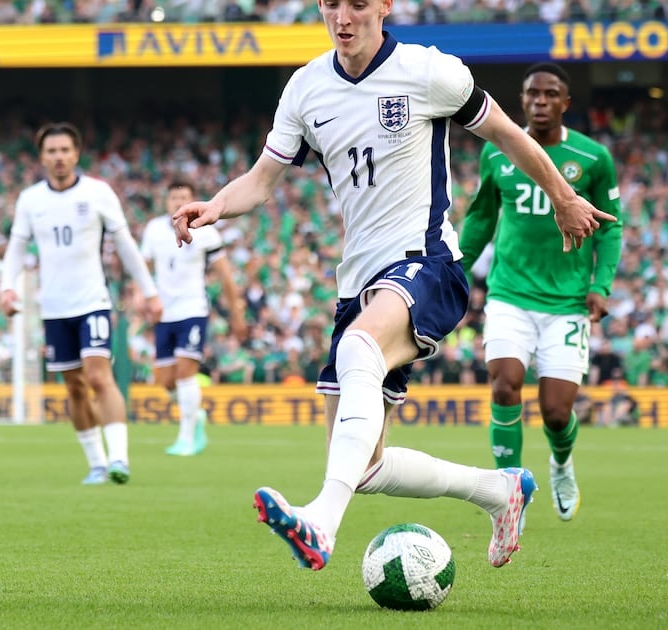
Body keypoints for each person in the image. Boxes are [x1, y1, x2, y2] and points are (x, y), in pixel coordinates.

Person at [171, 0, 615, 571]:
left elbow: (507, 135)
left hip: (425, 261)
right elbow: (260, 181)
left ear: (384, 6)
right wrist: (215, 205)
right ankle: (499, 491)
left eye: (358, 3)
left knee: (360, 347)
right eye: (332, 5)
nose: (343, 17)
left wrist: (563, 195)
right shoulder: (306, 88)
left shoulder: (430, 72)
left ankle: (320, 523)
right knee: (362, 463)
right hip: (358, 283)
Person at [460, 63, 623, 522]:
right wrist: (453, 271)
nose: (541, 101)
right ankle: (508, 495)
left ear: (566, 103)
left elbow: (611, 228)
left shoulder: (592, 159)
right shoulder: (497, 154)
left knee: (555, 412)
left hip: (567, 301)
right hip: (509, 294)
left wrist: (600, 285)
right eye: (533, 94)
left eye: (551, 94)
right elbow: (480, 219)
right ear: (523, 100)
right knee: (505, 383)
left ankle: (561, 462)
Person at [0, 122, 163, 485]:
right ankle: (97, 464)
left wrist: (149, 291)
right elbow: (16, 247)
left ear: (76, 154)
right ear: (42, 157)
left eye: (64, 150)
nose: (59, 157)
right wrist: (7, 287)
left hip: (92, 301)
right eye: (51, 151)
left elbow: (125, 246)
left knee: (98, 375)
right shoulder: (30, 200)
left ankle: (119, 457)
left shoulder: (98, 193)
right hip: (54, 307)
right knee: (74, 386)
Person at [140, 180, 247, 455]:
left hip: (192, 310)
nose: (178, 202)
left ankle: (186, 438)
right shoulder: (154, 230)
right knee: (165, 380)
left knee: (187, 374)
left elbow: (225, 275)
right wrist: (141, 296)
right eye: (173, 197)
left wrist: (236, 312)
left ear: (192, 199)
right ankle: (195, 414)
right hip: (164, 312)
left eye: (183, 197)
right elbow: (144, 267)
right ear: (166, 202)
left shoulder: (206, 231)